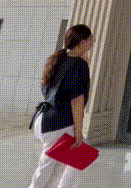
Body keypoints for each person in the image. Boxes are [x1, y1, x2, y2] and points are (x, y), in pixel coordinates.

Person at [29, 24, 93, 188]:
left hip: (46, 119)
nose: (92, 42)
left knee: (55, 167)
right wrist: (78, 132)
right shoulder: (79, 64)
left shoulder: (58, 59)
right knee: (53, 167)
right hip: (61, 123)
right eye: (91, 39)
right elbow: (77, 101)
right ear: (82, 42)